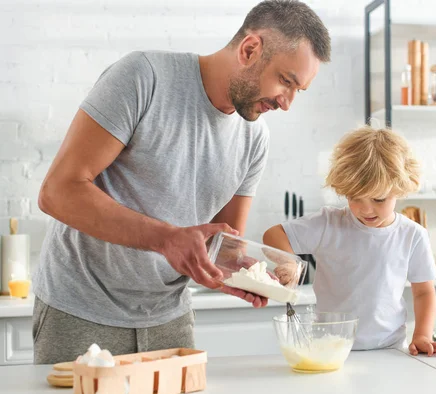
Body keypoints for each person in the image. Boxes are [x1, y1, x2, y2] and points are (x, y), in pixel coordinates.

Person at [32, 0, 330, 364]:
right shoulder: (143, 77)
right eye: (286, 81)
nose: (287, 103)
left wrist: (252, 275)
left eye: (299, 89)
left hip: (169, 320)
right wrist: (167, 240)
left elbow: (222, 247)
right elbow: (57, 192)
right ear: (250, 49)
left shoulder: (255, 139)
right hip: (80, 311)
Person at [263, 126, 436, 356]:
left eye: (379, 198)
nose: (366, 209)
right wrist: (288, 263)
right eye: (355, 198)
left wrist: (422, 335)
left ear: (400, 188)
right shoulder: (328, 224)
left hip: (389, 350)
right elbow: (274, 235)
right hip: (329, 348)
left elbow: (423, 292)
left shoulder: (412, 235)